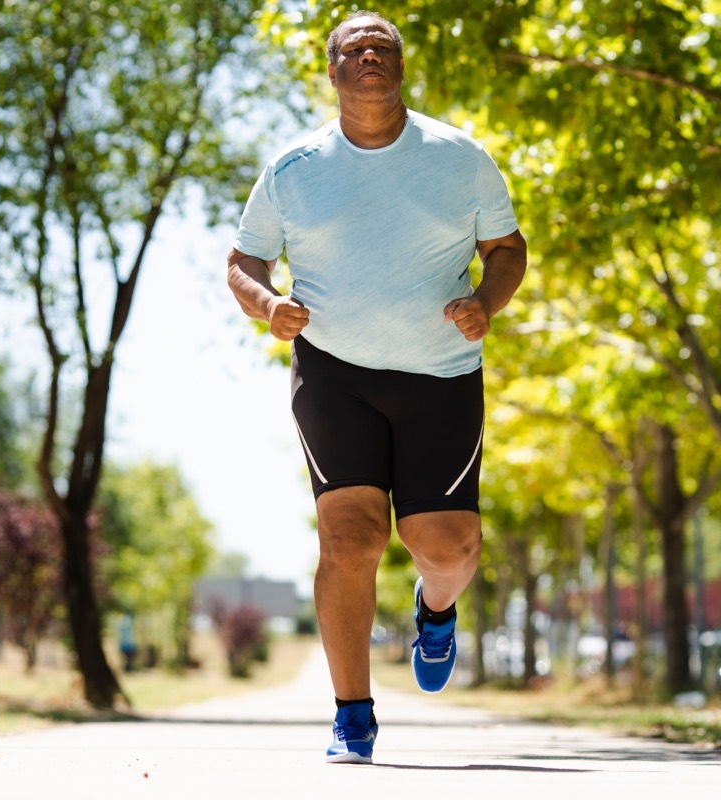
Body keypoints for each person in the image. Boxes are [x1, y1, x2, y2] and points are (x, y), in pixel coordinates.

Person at [226, 10, 527, 765]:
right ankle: (351, 716)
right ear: (333, 73)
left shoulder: (460, 158)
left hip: (440, 376)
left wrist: (485, 301)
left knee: (446, 545)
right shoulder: (294, 169)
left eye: (382, 47)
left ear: (399, 67)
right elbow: (243, 260)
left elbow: (507, 249)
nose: (369, 55)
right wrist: (268, 306)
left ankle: (436, 608)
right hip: (335, 372)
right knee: (350, 538)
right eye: (354, 49)